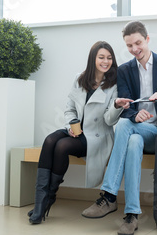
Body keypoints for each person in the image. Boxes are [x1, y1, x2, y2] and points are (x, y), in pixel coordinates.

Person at [81, 21, 157, 235]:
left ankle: (109, 196)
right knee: (132, 137)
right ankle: (132, 215)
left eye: (138, 43)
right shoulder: (126, 70)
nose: (134, 49)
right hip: (136, 131)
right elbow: (127, 108)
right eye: (129, 46)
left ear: (147, 39)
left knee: (126, 127)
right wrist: (134, 114)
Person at [28, 41, 133, 224]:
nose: (105, 61)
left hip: (97, 136)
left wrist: (116, 106)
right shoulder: (80, 78)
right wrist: (71, 125)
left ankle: (46, 200)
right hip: (76, 130)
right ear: (93, 59)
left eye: (109, 58)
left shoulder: (114, 84)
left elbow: (109, 120)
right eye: (101, 57)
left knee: (62, 146)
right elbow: (69, 108)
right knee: (50, 140)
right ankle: (42, 201)